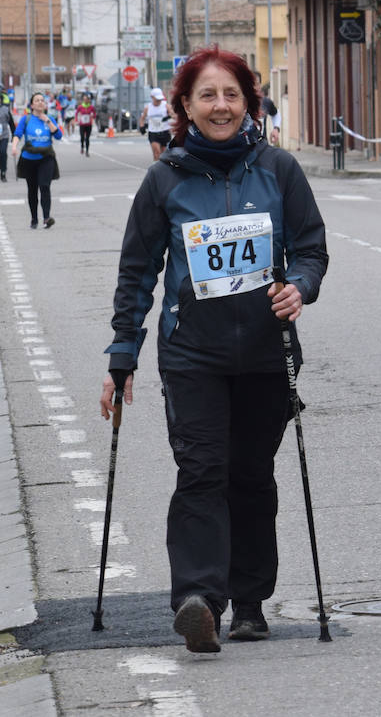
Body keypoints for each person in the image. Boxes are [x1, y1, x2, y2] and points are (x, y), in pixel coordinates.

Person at [98, 45, 329, 652]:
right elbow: (138, 270)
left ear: (248, 102)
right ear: (186, 107)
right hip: (191, 353)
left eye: (231, 94)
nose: (221, 106)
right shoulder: (164, 179)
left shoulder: (278, 170)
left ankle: (250, 602)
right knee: (202, 471)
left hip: (265, 351)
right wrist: (123, 352)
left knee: (251, 475)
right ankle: (199, 598)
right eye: (208, 95)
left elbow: (310, 248)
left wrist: (299, 288)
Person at [9, 92, 64, 228]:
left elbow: (58, 136)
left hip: (46, 158)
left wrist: (47, 121)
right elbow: (17, 134)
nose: (40, 102)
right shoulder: (26, 119)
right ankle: (34, 219)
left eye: (42, 100)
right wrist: (14, 147)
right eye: (37, 100)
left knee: (45, 186)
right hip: (29, 159)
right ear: (32, 105)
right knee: (32, 189)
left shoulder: (49, 118)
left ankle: (46, 218)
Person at [140, 87, 173, 161]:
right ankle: (157, 171)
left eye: (160, 99)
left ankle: (164, 169)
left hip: (165, 132)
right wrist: (142, 127)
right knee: (156, 153)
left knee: (164, 155)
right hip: (153, 133)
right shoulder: (148, 108)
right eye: (157, 99)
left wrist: (169, 116)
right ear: (152, 97)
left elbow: (174, 115)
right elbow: (142, 118)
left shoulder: (166, 106)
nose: (159, 101)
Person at [0, 96, 14, 182]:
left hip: (4, 136)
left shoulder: (5, 109)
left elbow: (11, 123)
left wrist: (14, 135)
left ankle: (3, 172)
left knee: (3, 152)